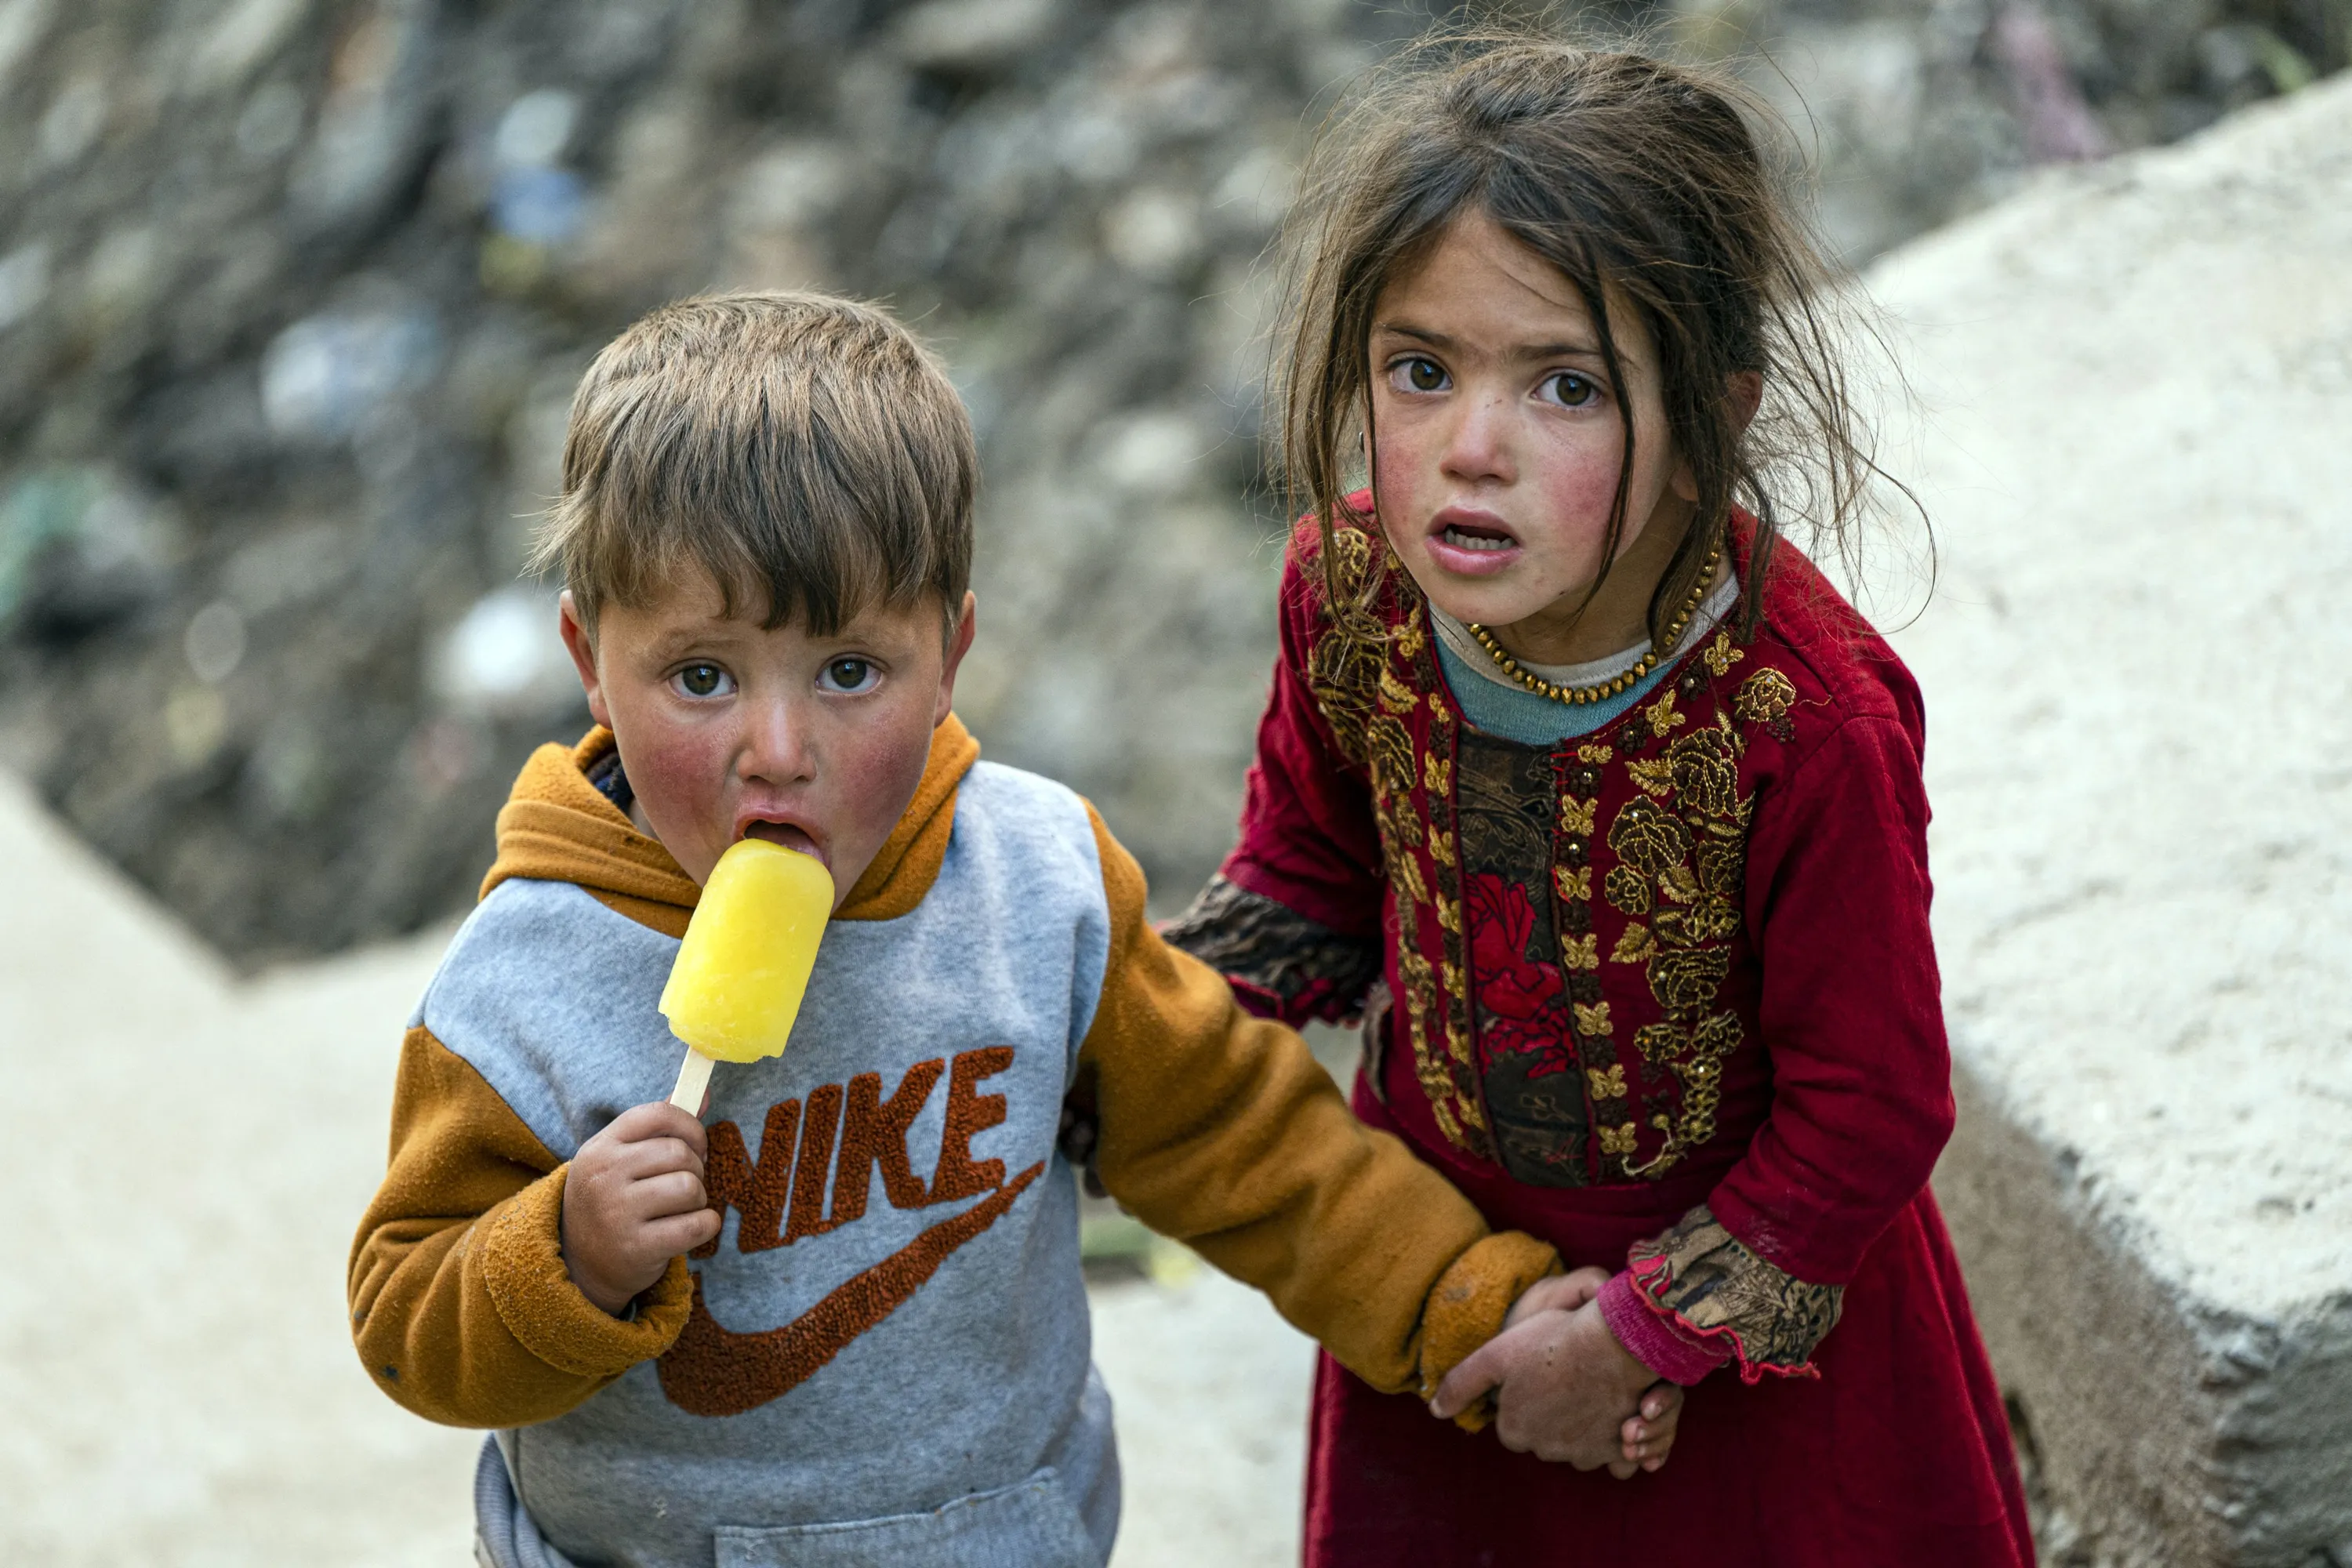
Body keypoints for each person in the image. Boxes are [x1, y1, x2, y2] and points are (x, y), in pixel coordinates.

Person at [345, 291, 1676, 1568]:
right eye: (701, 677)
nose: (779, 749)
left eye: (851, 671)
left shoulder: (1039, 891)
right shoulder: (524, 988)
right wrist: (565, 1255)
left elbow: (1239, 1139)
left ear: (950, 654)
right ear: (591, 662)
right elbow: (407, 1323)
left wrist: (1464, 1301)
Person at [1160, 32, 2035, 1566]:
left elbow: (1870, 1104)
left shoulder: (1800, 723)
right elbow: (1309, 870)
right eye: (1420, 371)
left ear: (1709, 417)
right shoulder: (1352, 594)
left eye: (1565, 386)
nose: (1470, 450)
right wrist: (1136, 1037)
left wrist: (1638, 1340)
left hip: (1750, 1344)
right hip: (1457, 1292)